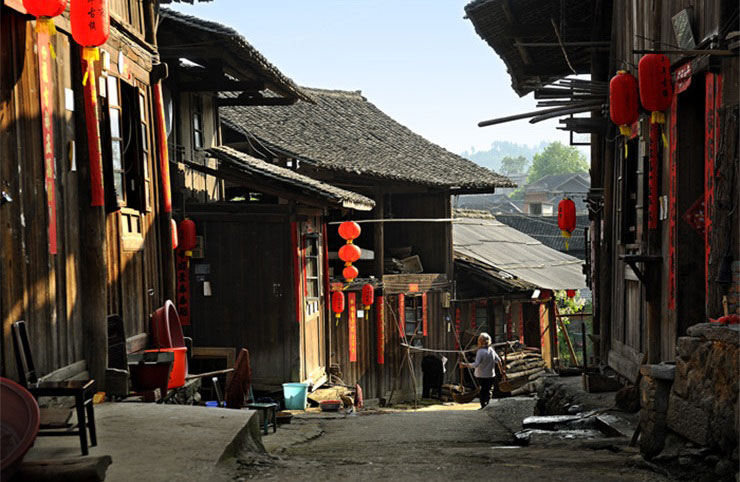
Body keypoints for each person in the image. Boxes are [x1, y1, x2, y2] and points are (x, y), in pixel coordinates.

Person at [461, 333, 504, 409]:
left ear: (480, 342)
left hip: (481, 375)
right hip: (490, 374)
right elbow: (499, 361)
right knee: (488, 390)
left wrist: (465, 365)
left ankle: (483, 405)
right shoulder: (491, 350)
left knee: (482, 390)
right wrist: (501, 371)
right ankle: (487, 404)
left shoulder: (480, 352)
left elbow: (476, 364)